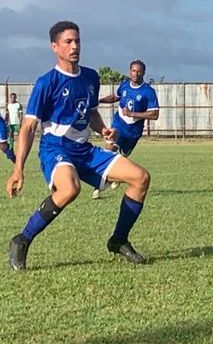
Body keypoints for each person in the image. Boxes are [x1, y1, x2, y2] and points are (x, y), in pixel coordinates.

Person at [6, 21, 151, 271]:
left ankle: (118, 240)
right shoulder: (47, 82)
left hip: (85, 150)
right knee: (69, 188)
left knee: (140, 178)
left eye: (78, 41)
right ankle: (22, 240)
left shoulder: (90, 77)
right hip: (55, 149)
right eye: (68, 42)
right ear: (54, 46)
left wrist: (102, 128)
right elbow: (28, 128)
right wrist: (18, 169)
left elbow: (91, 113)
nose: (75, 46)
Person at [91, 60, 159, 199]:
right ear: (130, 71)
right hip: (119, 123)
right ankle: (97, 187)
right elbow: (115, 97)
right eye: (133, 71)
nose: (136, 73)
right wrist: (99, 100)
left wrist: (133, 114)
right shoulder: (124, 86)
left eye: (139, 71)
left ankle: (117, 177)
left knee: (121, 156)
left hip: (133, 131)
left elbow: (154, 114)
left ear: (143, 73)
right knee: (109, 150)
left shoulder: (148, 92)